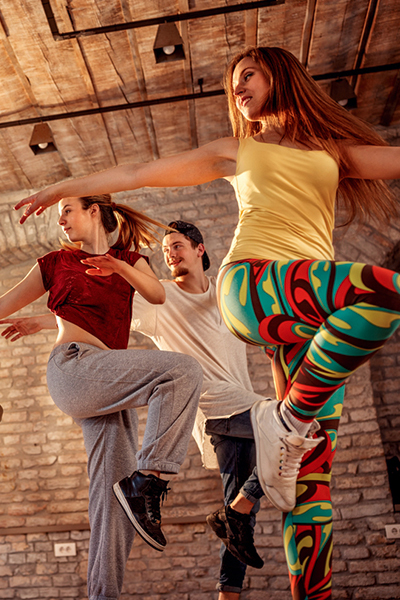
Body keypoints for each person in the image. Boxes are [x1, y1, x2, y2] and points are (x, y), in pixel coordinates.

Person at [12, 45, 400, 599]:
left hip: (310, 321)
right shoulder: (237, 151)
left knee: (309, 487)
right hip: (253, 283)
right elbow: (140, 172)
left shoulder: (332, 150)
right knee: (383, 291)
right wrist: (61, 189)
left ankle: (288, 450)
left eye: (248, 76)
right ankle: (284, 425)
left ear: (281, 76)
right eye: (232, 82)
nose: (237, 90)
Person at [2, 219, 267, 600]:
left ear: (200, 249)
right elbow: (94, 308)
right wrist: (40, 323)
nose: (170, 254)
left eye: (177, 246)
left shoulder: (226, 292)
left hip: (239, 400)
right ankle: (152, 482)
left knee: (236, 514)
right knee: (294, 429)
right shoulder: (160, 299)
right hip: (215, 405)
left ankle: (114, 592)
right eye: (165, 250)